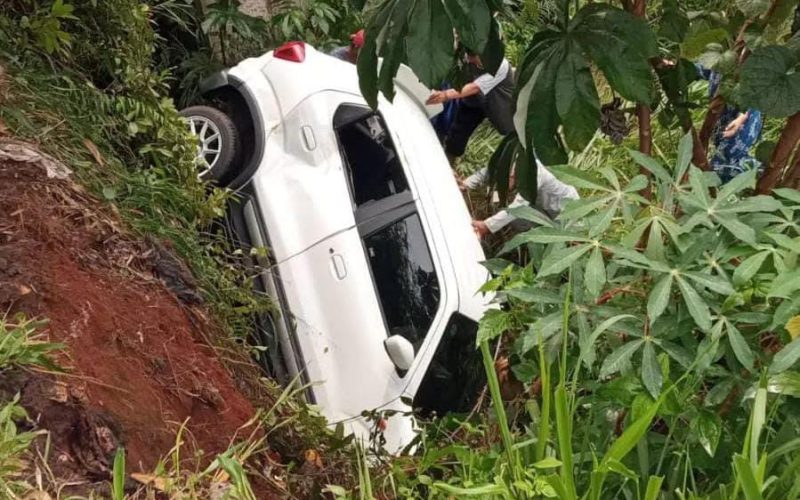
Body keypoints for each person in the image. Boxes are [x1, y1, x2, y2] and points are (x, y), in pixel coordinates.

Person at [426, 52, 515, 165]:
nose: (469, 59)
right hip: (474, 100)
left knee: (508, 132)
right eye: (468, 56)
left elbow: (475, 87)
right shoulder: (466, 54)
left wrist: (446, 95)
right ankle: (446, 161)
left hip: (498, 102)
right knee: (458, 134)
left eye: (473, 57)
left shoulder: (500, 65)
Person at [462, 160, 579, 239]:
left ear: (513, 175)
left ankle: (542, 242)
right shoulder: (510, 159)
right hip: (542, 204)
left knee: (570, 239)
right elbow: (488, 171)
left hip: (567, 210)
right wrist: (466, 184)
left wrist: (487, 226)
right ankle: (537, 237)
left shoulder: (533, 174)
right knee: (516, 220)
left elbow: (518, 207)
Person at [696, 64, 763, 183]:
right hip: (722, 117)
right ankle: (758, 170)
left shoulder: (748, 63)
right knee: (727, 152)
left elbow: (754, 95)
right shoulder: (721, 62)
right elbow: (703, 70)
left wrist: (740, 120)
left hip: (743, 122)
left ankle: (721, 188)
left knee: (727, 156)